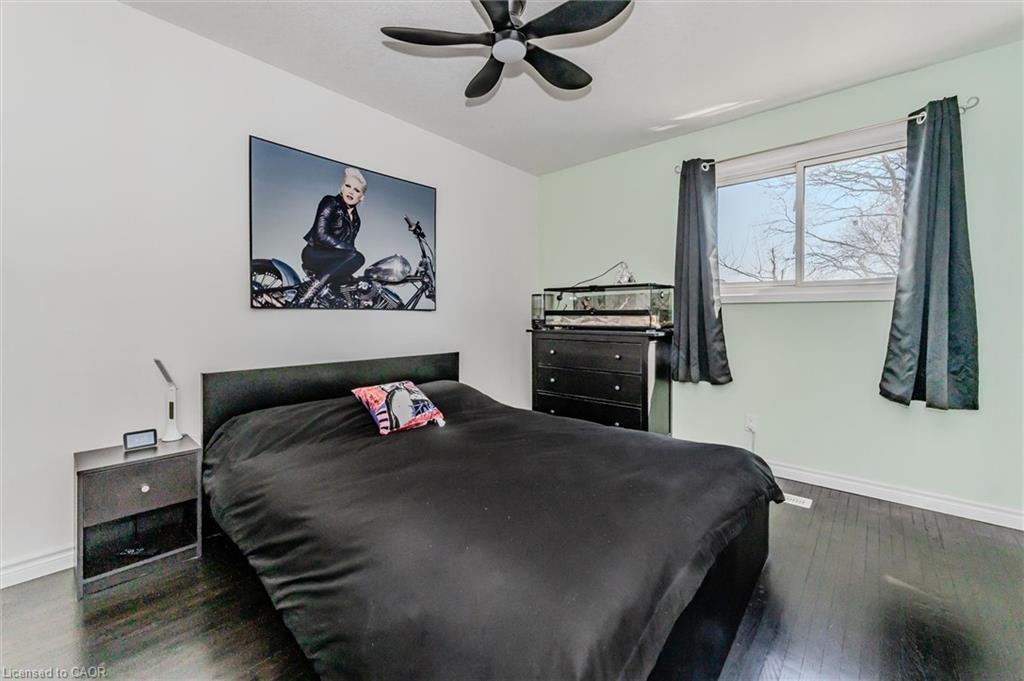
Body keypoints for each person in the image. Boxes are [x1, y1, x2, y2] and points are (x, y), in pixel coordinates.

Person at [294, 167, 368, 304]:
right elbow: (320, 234)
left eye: (356, 190)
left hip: (333, 259)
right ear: (342, 187)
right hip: (315, 253)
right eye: (348, 186)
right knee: (358, 256)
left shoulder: (356, 220)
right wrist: (349, 250)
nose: (351, 191)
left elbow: (348, 247)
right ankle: (309, 291)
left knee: (351, 286)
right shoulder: (331, 202)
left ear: (361, 197)